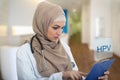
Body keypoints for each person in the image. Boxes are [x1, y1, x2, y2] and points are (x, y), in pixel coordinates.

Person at [16, 1, 109, 80]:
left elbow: (74, 72)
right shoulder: (24, 52)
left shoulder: (64, 47)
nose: (60, 33)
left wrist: (92, 77)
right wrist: (61, 76)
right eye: (55, 27)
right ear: (42, 25)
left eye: (62, 28)